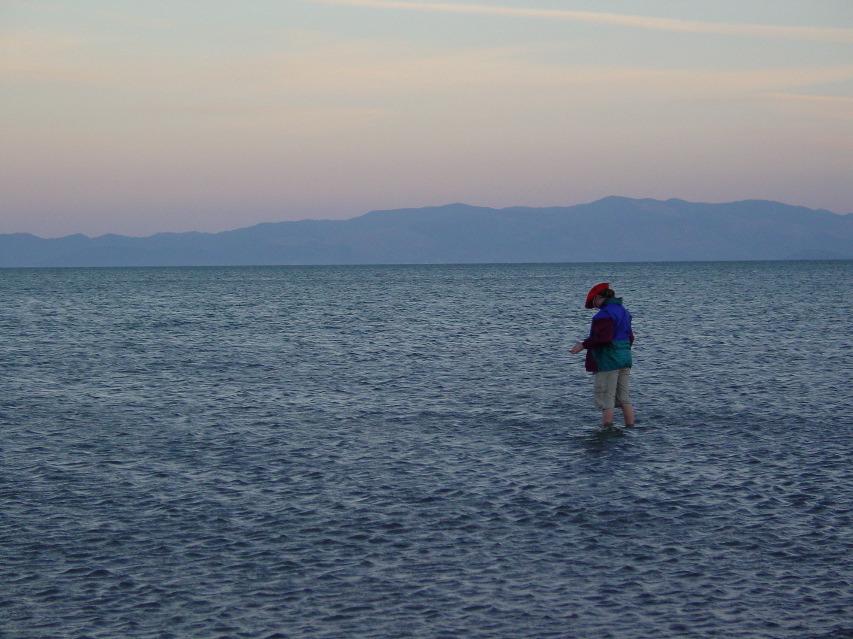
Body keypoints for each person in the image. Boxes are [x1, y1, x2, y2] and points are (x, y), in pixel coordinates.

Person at [570, 282, 635, 428]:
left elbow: (603, 338)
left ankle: (607, 430)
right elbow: (631, 337)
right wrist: (622, 350)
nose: (594, 306)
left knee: (606, 397)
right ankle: (631, 427)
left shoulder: (604, 314)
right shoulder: (623, 311)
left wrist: (582, 345)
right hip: (625, 357)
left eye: (593, 302)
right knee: (624, 397)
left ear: (599, 297)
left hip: (608, 360)